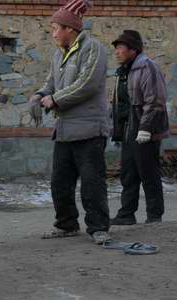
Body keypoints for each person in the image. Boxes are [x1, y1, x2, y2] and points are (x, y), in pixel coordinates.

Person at [29, 0, 112, 244]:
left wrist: (54, 100)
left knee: (92, 182)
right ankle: (66, 224)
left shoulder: (93, 48)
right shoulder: (59, 53)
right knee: (60, 182)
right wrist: (39, 95)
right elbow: (50, 83)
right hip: (65, 129)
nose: (53, 33)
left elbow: (88, 84)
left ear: (69, 28)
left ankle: (98, 228)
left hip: (89, 129)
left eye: (55, 28)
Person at [110, 30, 170, 225]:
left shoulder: (147, 67)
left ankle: (154, 216)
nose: (117, 52)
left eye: (121, 48)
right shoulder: (124, 71)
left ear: (133, 50)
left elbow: (155, 101)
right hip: (129, 130)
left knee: (149, 174)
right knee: (128, 174)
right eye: (116, 48)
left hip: (145, 131)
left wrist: (146, 128)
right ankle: (127, 214)